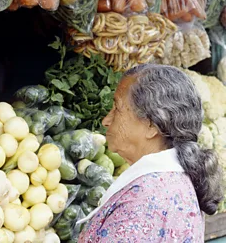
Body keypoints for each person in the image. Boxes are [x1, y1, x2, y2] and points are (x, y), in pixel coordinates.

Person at [77, 64, 224, 242]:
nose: (106, 120)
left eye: (117, 108)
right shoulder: (168, 184)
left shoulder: (143, 202)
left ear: (152, 125)